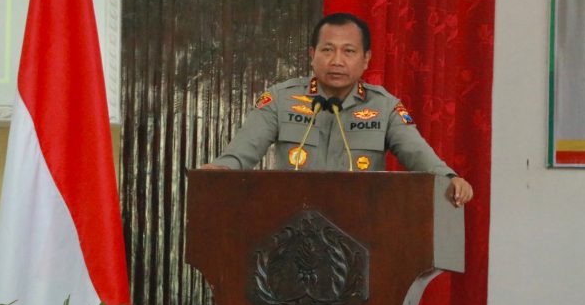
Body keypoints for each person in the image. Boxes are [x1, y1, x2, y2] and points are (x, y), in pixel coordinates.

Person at [200, 13, 473, 207]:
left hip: (361, 228)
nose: (337, 61)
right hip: (291, 223)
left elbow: (418, 154)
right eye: (327, 50)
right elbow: (242, 152)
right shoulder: (281, 99)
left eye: (349, 51)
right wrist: (220, 170)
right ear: (312, 55)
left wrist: (449, 179)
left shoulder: (384, 107)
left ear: (366, 59)